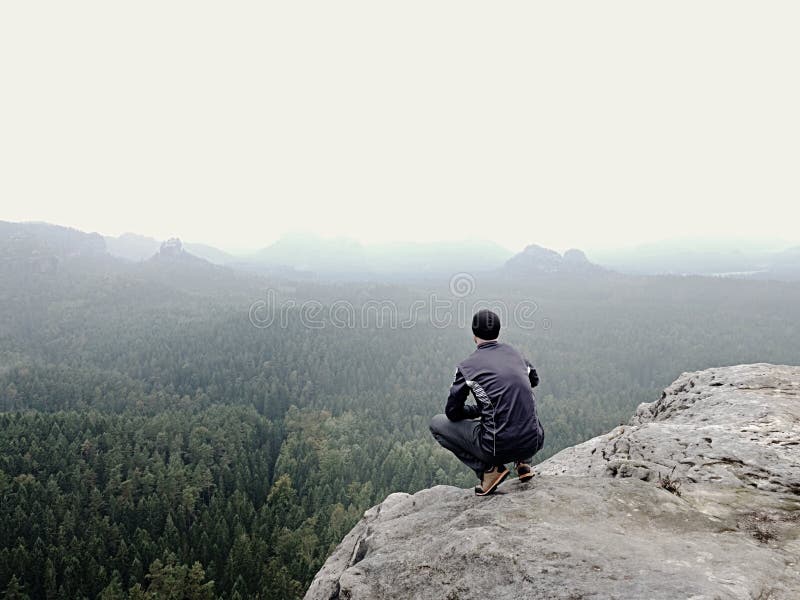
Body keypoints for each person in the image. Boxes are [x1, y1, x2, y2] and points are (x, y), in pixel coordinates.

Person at [429, 309, 545, 496]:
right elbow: (534, 381)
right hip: (534, 440)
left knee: (437, 423)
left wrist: (480, 410)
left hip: (496, 448)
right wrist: (487, 407)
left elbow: (452, 413)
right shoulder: (516, 354)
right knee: (521, 401)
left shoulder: (467, 367)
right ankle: (524, 462)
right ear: (498, 332)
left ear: (474, 335)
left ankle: (489, 471)